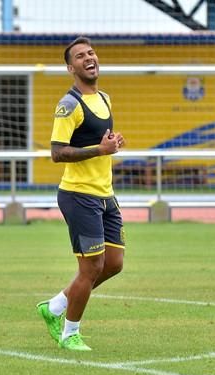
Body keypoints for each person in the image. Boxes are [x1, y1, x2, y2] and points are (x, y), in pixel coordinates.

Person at [36, 36, 126, 351]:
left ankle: (56, 306)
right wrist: (99, 149)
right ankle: (69, 332)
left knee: (114, 263)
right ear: (70, 67)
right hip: (79, 196)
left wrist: (111, 143)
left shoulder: (105, 98)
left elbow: (97, 142)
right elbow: (57, 153)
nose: (89, 57)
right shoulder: (69, 104)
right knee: (91, 268)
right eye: (80, 56)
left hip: (105, 194)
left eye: (91, 52)